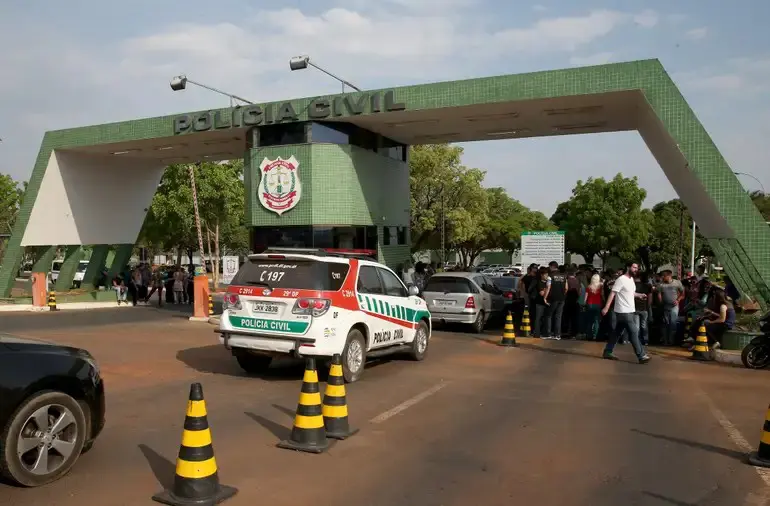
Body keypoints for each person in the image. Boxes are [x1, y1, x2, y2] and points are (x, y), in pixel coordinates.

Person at [601, 262, 651, 364]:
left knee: (617, 332)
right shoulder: (621, 279)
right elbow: (613, 293)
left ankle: (608, 351)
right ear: (628, 267)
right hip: (623, 311)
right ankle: (641, 355)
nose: (636, 269)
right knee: (634, 332)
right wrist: (606, 307)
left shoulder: (631, 280)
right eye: (634, 267)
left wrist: (639, 295)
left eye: (637, 268)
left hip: (630, 310)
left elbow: (631, 293)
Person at [657, 270, 683, 346]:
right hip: (665, 307)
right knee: (665, 324)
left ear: (669, 276)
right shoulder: (661, 284)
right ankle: (665, 341)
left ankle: (671, 341)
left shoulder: (677, 283)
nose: (662, 278)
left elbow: (682, 293)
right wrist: (661, 302)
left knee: (673, 323)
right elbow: (659, 294)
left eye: (663, 276)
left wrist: (678, 300)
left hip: (674, 307)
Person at [583, 273, 604, 341]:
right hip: (598, 304)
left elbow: (585, 297)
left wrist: (584, 304)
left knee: (590, 321)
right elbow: (602, 295)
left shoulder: (589, 286)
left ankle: (589, 335)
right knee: (596, 320)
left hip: (590, 304)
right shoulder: (601, 286)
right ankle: (596, 335)